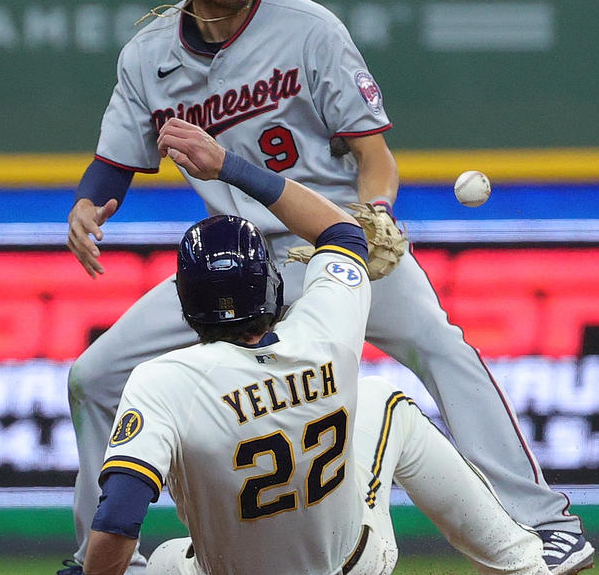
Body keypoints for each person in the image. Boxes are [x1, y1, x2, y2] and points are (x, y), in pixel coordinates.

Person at [64, 0, 592, 573]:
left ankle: (546, 524)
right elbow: (115, 163)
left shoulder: (309, 29)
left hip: (335, 247)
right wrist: (89, 204)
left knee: (441, 347)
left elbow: (376, 159)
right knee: (93, 377)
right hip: (242, 262)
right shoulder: (149, 56)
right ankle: (100, 560)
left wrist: (377, 214)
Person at [80, 119, 548, 575]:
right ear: (271, 286)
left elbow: (119, 519)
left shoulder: (163, 382)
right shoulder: (324, 328)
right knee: (384, 400)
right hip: (350, 566)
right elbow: (342, 232)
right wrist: (228, 165)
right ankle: (523, 565)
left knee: (163, 560)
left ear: (185, 305)